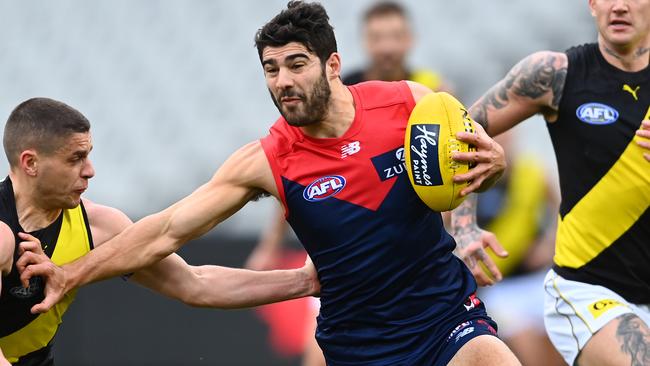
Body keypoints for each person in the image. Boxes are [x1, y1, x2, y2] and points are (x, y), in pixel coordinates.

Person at [20, 2, 517, 365]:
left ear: (333, 65)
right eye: (271, 69)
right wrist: (72, 273)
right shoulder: (265, 160)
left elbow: (466, 165)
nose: (282, 81)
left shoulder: (410, 102)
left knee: (493, 358)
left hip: (445, 318)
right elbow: (166, 229)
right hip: (358, 346)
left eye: (296, 64)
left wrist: (481, 190)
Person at [0, 97, 320, 365]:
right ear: (30, 163)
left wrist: (304, 280)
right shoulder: (3, 234)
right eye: (76, 158)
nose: (90, 171)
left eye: (89, 155)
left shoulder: (101, 227)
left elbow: (196, 285)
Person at [464, 0, 650, 364]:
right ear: (592, 4)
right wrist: (465, 226)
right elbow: (458, 134)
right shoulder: (554, 74)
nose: (620, 6)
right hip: (587, 290)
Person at [474, 130, 565, 366]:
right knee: (527, 344)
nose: (500, 141)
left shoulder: (532, 173)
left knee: (560, 340)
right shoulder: (471, 181)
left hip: (538, 280)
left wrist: (548, 244)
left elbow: (562, 210)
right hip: (500, 286)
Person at [341, 1, 450, 92]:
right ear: (364, 41)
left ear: (410, 39)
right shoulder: (346, 89)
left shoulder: (430, 88)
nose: (387, 48)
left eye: (396, 37)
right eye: (376, 38)